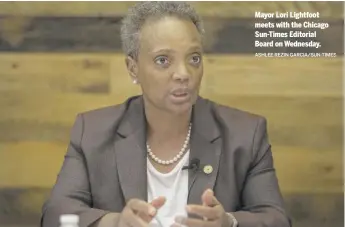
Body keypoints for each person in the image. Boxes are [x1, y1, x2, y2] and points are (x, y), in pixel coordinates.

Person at [41, 2, 291, 227]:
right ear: (133, 68)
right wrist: (115, 222)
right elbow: (56, 216)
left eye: (194, 58)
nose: (183, 73)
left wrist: (230, 223)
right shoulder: (92, 132)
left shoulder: (245, 134)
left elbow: (277, 219)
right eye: (163, 60)